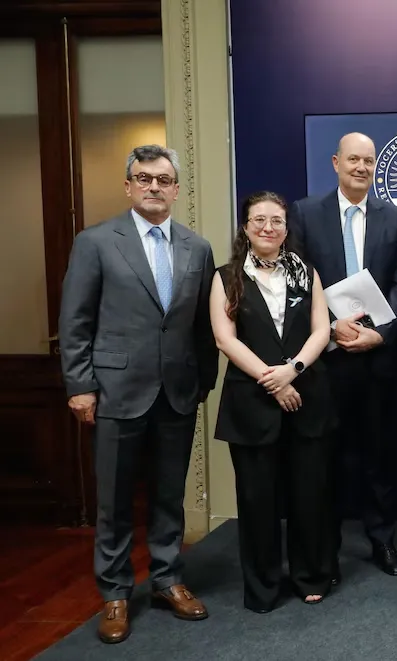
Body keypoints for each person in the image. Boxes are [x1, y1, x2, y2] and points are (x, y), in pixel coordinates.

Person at [58, 145, 218, 644]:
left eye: (163, 179)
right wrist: (81, 385)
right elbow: (75, 319)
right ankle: (115, 593)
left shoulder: (197, 248)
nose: (153, 187)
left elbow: (202, 325)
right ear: (128, 186)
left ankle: (168, 579)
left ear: (176, 190)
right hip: (115, 392)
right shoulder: (96, 242)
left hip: (177, 393)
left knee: (170, 495)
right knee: (114, 500)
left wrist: (203, 381)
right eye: (144, 178)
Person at [287, 132, 397, 580]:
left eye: (369, 160)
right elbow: (296, 279)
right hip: (326, 360)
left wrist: (381, 334)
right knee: (327, 459)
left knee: (380, 457)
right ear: (336, 162)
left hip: (378, 360)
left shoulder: (393, 217)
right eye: (353, 159)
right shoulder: (305, 213)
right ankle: (327, 550)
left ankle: (382, 540)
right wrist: (330, 327)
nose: (361, 167)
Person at [211, 191, 333, 612]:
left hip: (307, 398)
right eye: (259, 220)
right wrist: (273, 380)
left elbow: (322, 330)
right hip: (252, 404)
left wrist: (292, 370)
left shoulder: (305, 272)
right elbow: (224, 339)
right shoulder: (227, 277)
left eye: (276, 220)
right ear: (245, 228)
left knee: (309, 495)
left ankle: (310, 575)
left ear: (286, 228)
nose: (268, 227)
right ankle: (263, 586)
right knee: (257, 500)